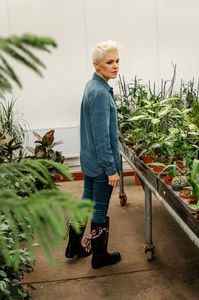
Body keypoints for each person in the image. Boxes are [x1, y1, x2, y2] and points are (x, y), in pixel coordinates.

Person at [65, 40, 121, 269]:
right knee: (99, 208)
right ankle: (99, 257)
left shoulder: (92, 85)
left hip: (89, 161)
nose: (115, 65)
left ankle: (74, 247)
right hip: (100, 164)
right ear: (96, 65)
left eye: (117, 60)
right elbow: (101, 137)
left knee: (86, 201)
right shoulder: (99, 93)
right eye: (109, 62)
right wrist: (111, 169)